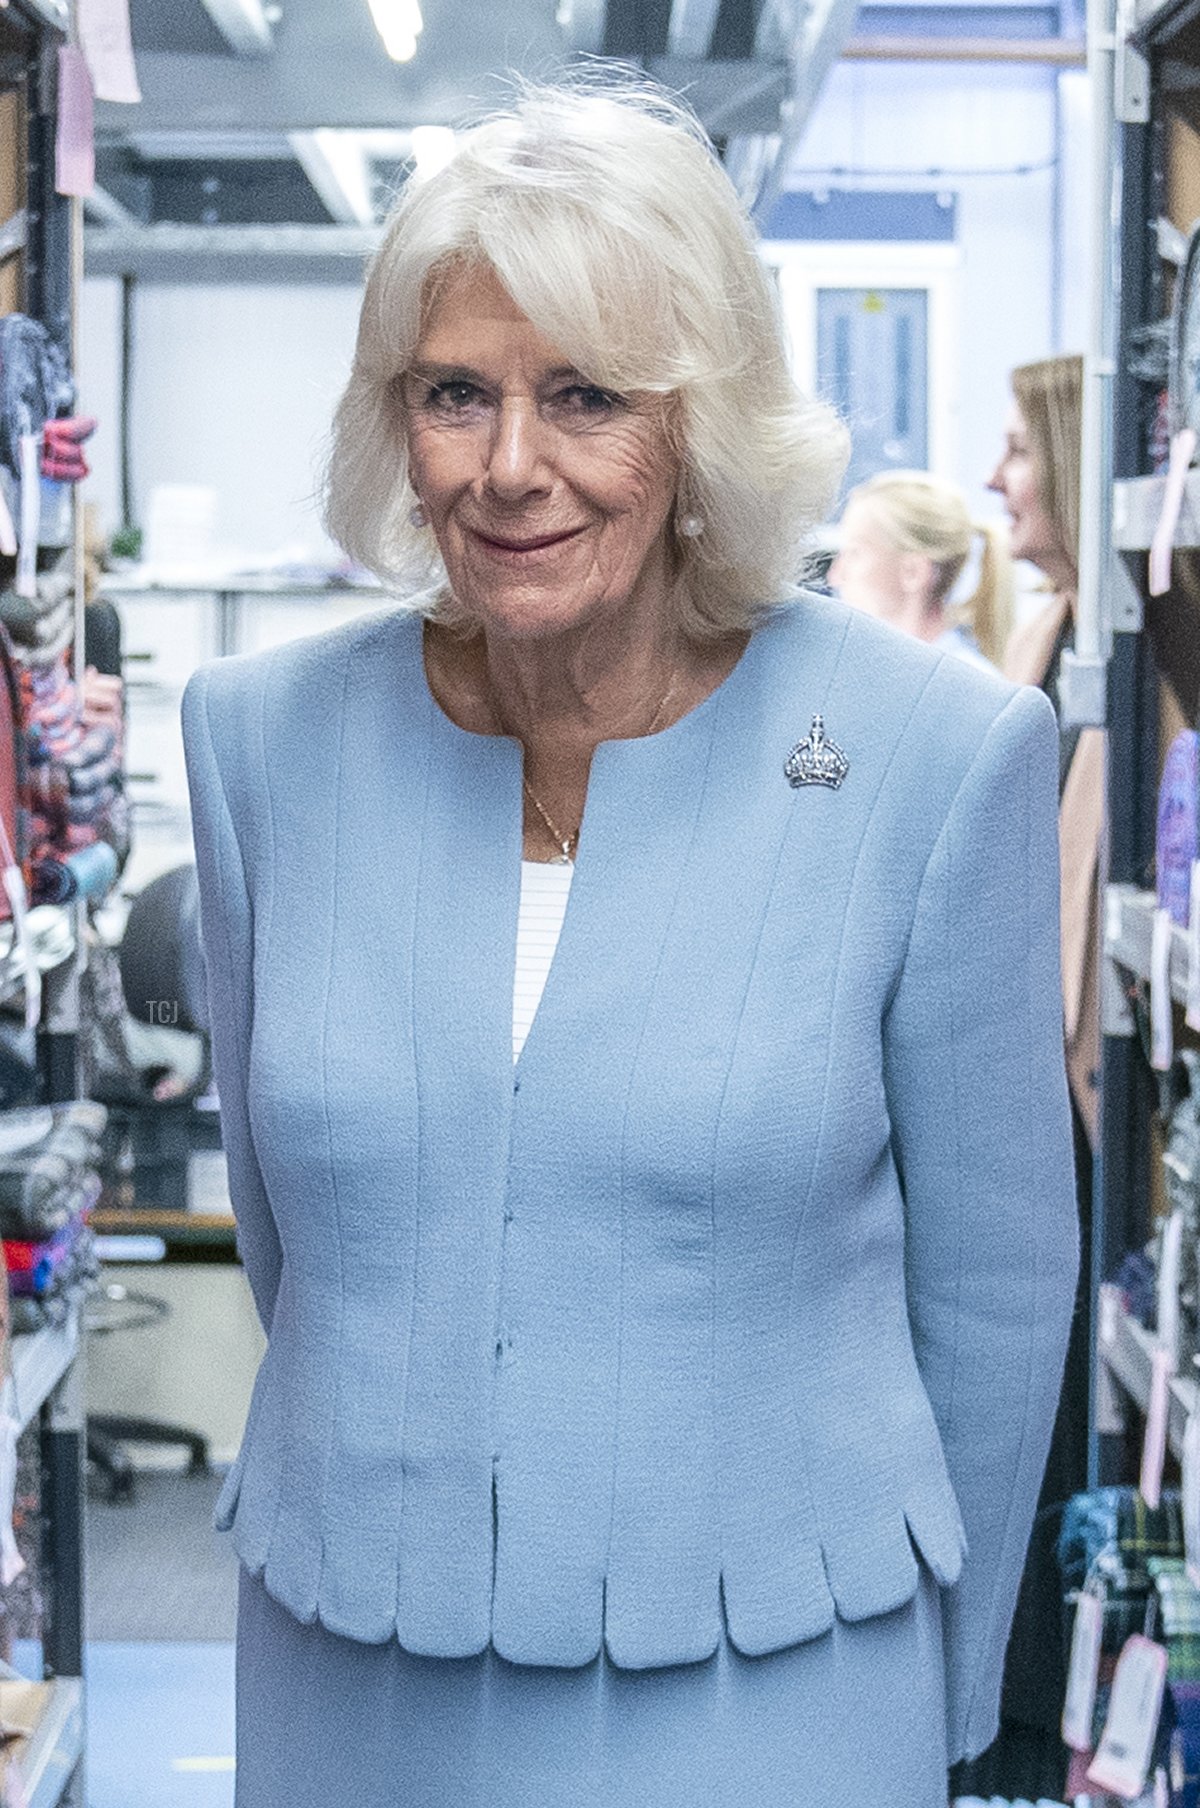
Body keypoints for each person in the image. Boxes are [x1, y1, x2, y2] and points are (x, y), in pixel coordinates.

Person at [182, 79, 1078, 1808]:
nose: (512, 463)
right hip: (349, 1668)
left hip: (782, 1679)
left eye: (587, 394)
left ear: (703, 424)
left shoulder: (930, 755)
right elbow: (295, 1227)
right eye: (457, 393)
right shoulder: (259, 742)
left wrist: (950, 1702)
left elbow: (992, 1285)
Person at [954, 352, 1098, 1802]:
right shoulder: (1055, 632)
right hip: (1033, 1089)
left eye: (1018, 450)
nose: (1002, 478)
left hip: (1068, 1102)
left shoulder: (1100, 649)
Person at [828, 468, 1013, 670]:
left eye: (854, 553)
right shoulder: (876, 673)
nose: (834, 577)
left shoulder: (968, 687)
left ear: (913, 572)